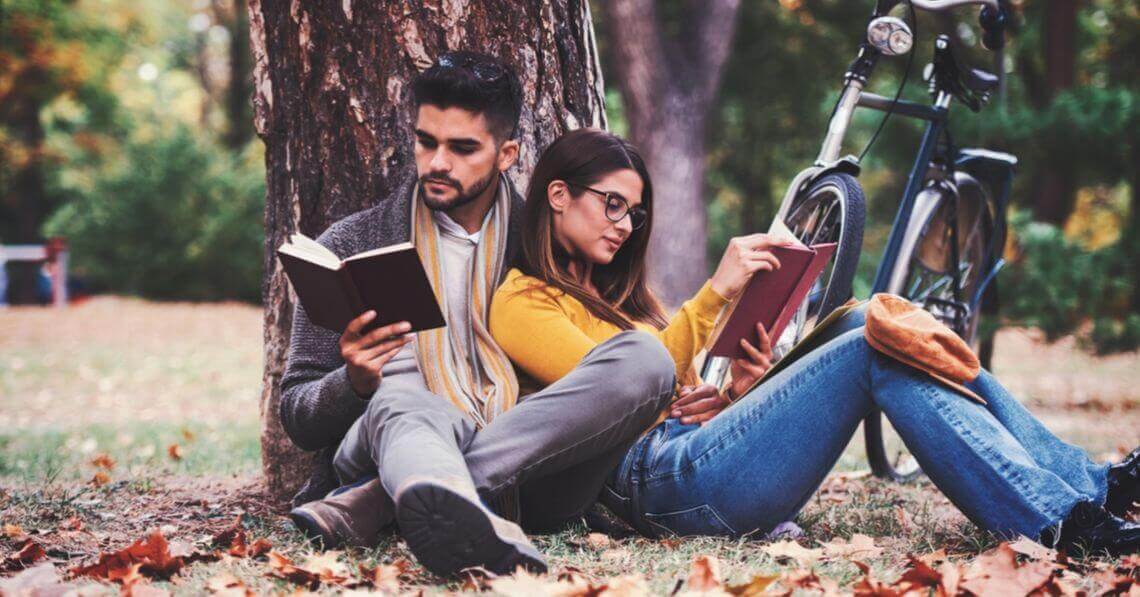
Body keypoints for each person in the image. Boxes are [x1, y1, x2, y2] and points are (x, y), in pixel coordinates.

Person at [488, 128, 1140, 555]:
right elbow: (626, 388)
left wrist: (736, 394)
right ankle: (1059, 518)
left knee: (871, 320)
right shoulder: (520, 301)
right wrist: (716, 293)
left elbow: (668, 386)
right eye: (612, 204)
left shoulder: (618, 301)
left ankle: (1090, 485)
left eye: (635, 211)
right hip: (656, 484)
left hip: (690, 455)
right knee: (870, 347)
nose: (627, 225)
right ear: (556, 195)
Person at [279, 53, 679, 577]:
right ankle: (426, 493)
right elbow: (297, 415)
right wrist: (352, 381)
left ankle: (385, 501)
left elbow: (624, 368)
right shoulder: (355, 243)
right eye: (427, 142)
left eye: (462, 148)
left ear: (507, 153)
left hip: (539, 472)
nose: (437, 162)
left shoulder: (544, 244)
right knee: (405, 393)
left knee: (646, 357)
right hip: (394, 436)